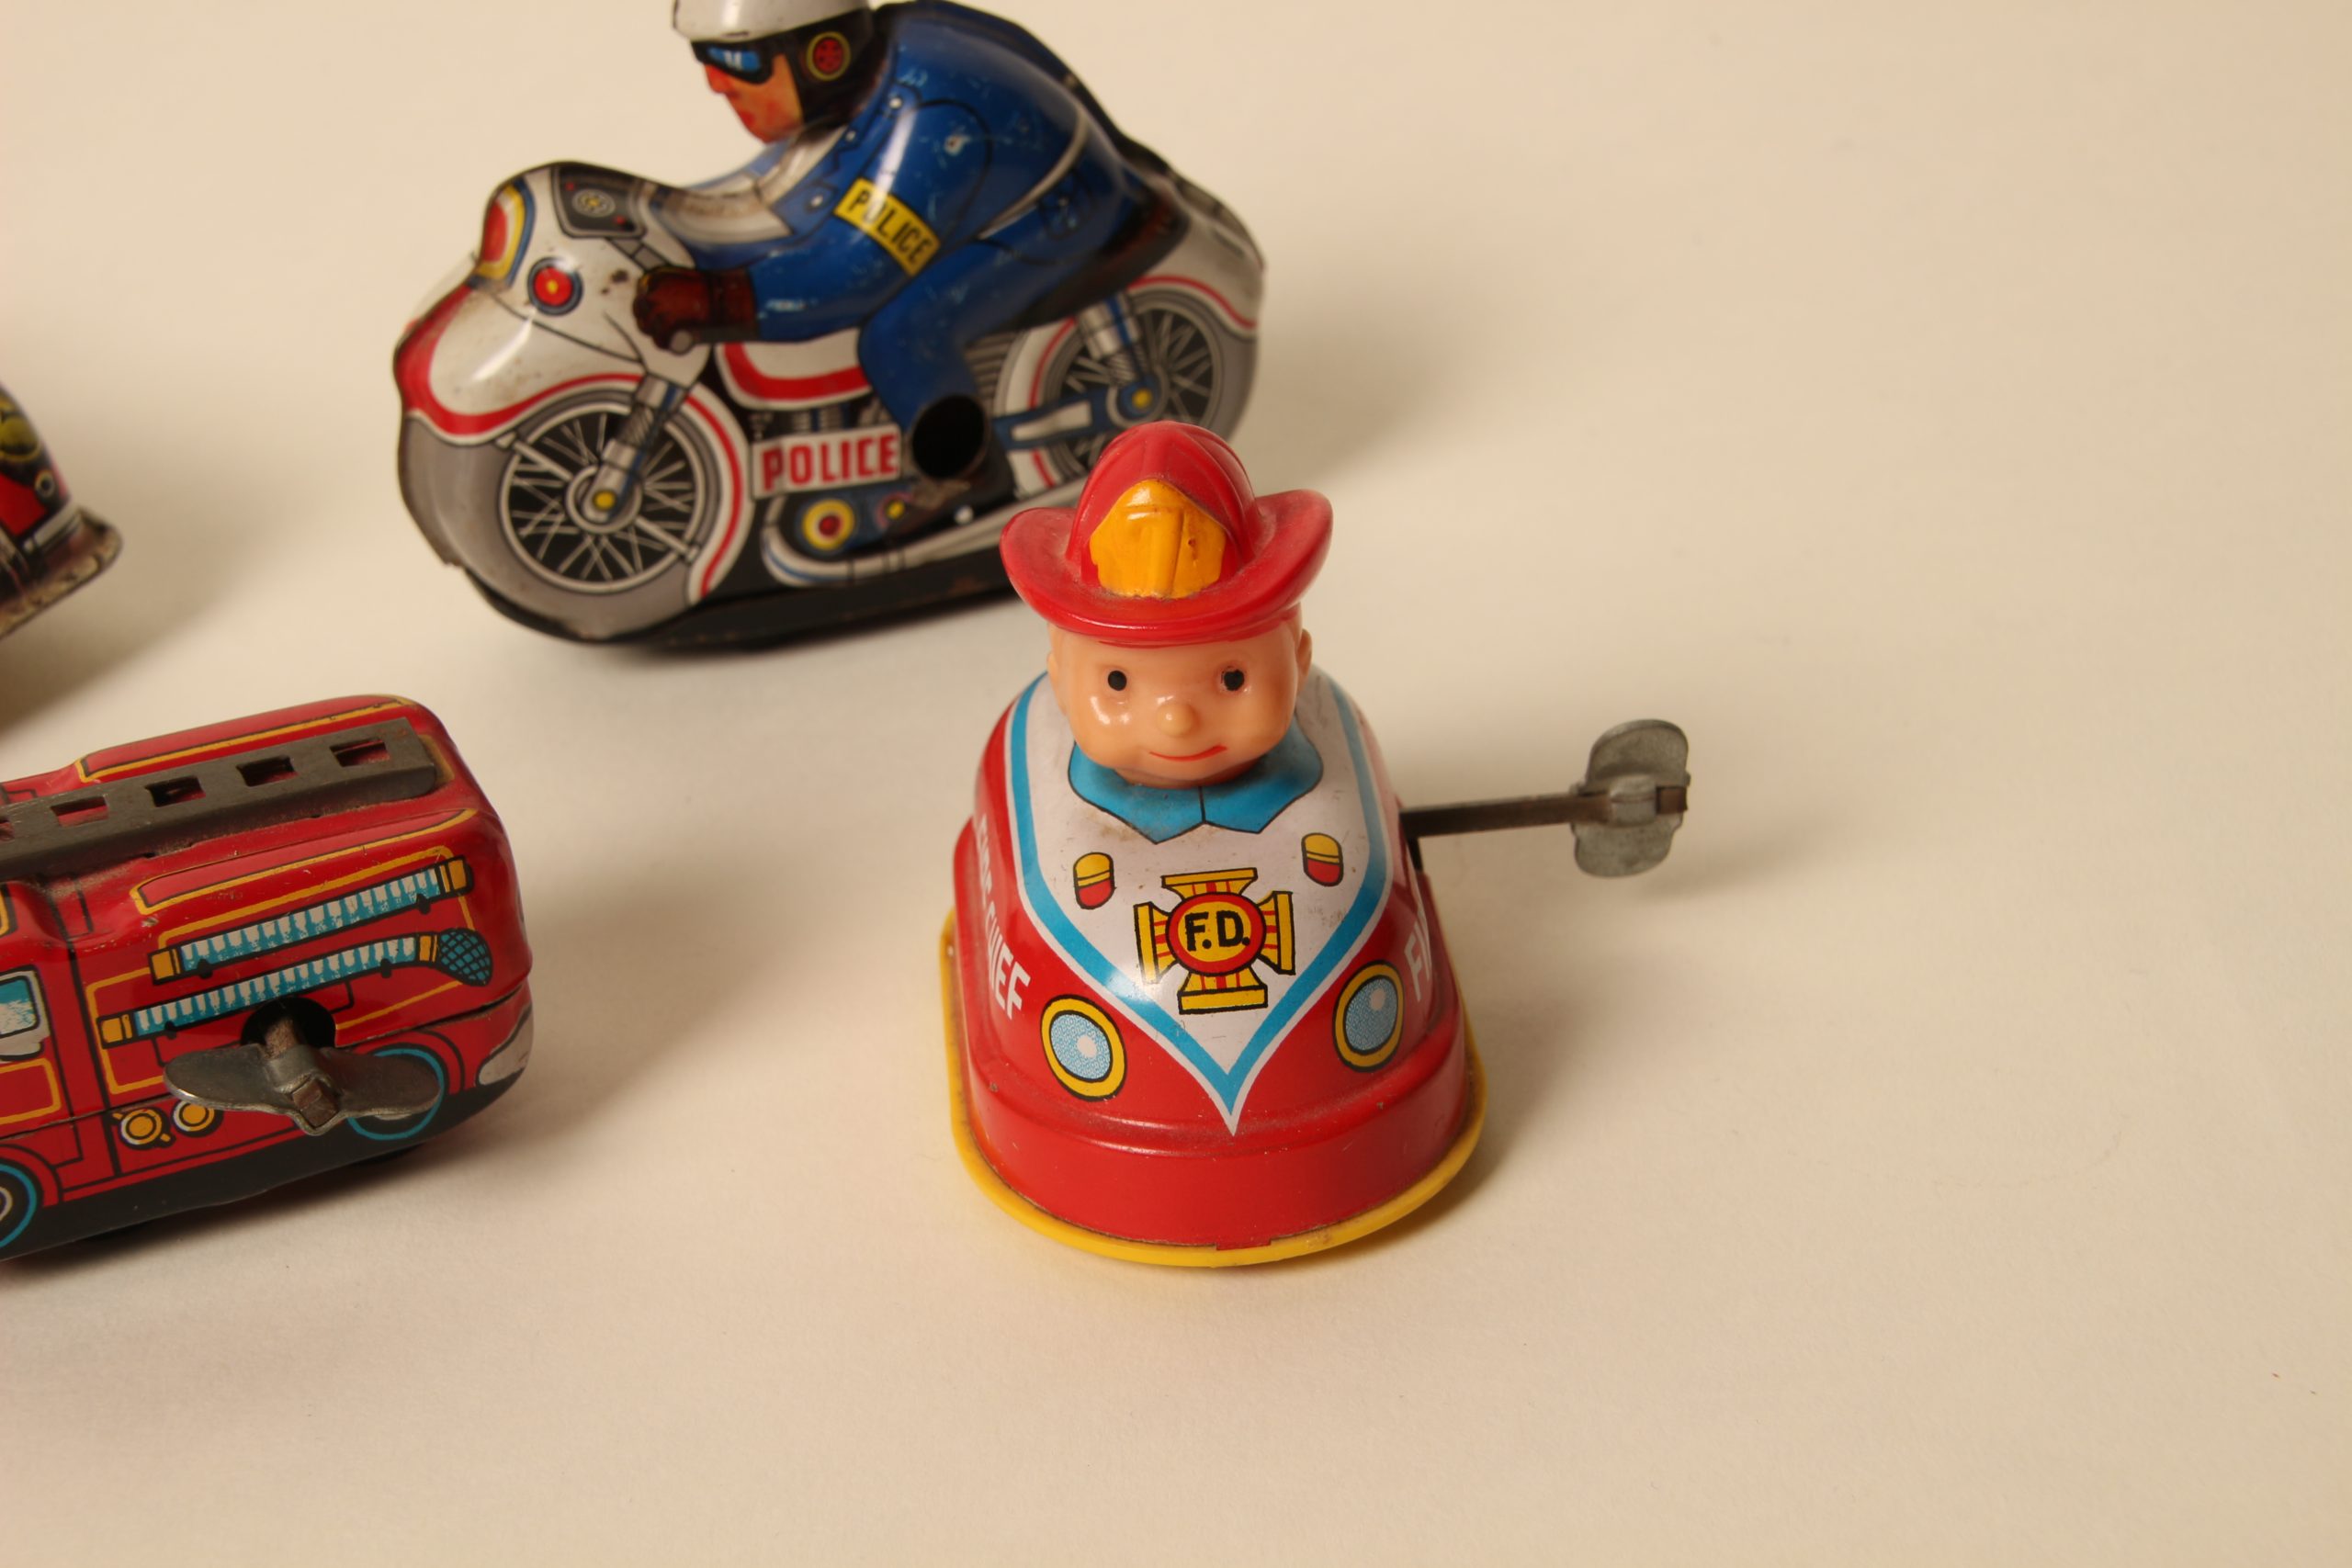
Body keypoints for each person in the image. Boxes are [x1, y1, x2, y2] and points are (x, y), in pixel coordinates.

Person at [638, 0, 1168, 536]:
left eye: (739, 60)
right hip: (1007, 176)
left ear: (824, 55)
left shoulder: (933, 116)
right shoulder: (860, 81)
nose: (715, 83)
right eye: (706, 56)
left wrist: (723, 298)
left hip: (1064, 205)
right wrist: (658, 217)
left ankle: (969, 475)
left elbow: (856, 274)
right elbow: (761, 193)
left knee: (901, 331)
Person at [1001, 423, 1333, 841]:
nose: (1176, 721)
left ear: (1299, 661)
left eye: (1233, 679)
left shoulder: (1333, 779)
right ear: (1060, 681)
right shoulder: (1042, 812)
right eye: (1117, 681)